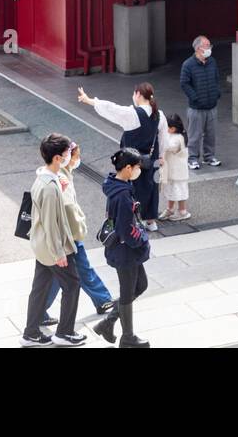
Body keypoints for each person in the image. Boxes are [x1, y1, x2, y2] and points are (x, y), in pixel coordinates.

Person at [20, 134, 87, 347]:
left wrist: (62, 189)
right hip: (53, 248)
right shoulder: (50, 186)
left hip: (41, 245)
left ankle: (30, 333)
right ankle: (64, 332)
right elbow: (51, 223)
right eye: (67, 153)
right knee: (72, 284)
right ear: (58, 158)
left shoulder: (45, 178)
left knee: (40, 287)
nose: (70, 156)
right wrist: (59, 253)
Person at [38, 143, 114, 328]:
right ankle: (103, 299)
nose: (76, 160)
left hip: (65, 238)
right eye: (74, 156)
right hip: (68, 237)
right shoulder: (60, 179)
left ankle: (39, 311)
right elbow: (67, 210)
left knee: (57, 276)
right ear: (62, 157)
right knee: (81, 270)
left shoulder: (61, 174)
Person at [78, 83, 168, 231]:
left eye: (134, 93)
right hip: (151, 159)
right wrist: (161, 156)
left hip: (131, 161)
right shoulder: (160, 114)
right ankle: (151, 221)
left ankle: (133, 220)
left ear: (138, 94)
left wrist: (90, 101)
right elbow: (163, 137)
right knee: (150, 186)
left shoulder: (132, 114)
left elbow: (111, 109)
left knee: (131, 188)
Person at [95, 147, 152, 347]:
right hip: (125, 251)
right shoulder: (122, 195)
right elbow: (126, 230)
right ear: (128, 168)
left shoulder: (118, 186)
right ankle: (127, 338)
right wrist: (143, 239)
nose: (139, 170)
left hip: (126, 251)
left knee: (140, 285)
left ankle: (107, 323)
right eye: (137, 167)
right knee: (128, 291)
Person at [179, 36, 222, 170]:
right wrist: (195, 97)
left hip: (211, 106)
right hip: (196, 108)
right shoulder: (188, 64)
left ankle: (209, 157)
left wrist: (217, 94)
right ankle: (192, 158)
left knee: (211, 134)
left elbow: (216, 79)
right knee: (194, 135)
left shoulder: (212, 62)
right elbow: (184, 84)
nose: (210, 48)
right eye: (207, 45)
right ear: (199, 48)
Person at [158, 114, 191, 221]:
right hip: (171, 171)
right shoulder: (172, 135)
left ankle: (182, 211)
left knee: (179, 191)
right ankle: (170, 209)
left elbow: (168, 146)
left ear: (173, 128)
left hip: (178, 173)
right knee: (171, 191)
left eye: (166, 127)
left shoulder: (178, 138)